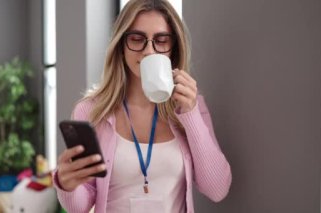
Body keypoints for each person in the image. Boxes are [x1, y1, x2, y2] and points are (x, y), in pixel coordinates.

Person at [54, 0, 232, 212]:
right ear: (121, 46)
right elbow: (80, 207)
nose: (149, 51)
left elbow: (217, 189)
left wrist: (191, 113)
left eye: (161, 40)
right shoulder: (92, 111)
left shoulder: (191, 107)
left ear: (173, 48)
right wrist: (67, 185)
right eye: (137, 39)